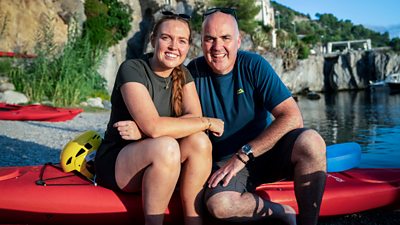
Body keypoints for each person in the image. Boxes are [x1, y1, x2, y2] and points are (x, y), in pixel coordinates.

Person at [186, 8, 326, 225]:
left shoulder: (253, 65)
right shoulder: (191, 74)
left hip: (266, 151)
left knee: (312, 141)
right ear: (201, 41)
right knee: (220, 206)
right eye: (209, 39)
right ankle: (282, 211)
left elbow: (292, 117)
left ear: (238, 41)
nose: (217, 47)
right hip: (224, 164)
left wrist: (243, 155)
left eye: (225, 38)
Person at [94, 11, 224, 225]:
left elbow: (192, 119)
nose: (174, 46)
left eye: (181, 41)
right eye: (166, 38)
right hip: (120, 163)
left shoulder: (183, 75)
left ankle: (194, 220)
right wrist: (208, 122)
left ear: (188, 47)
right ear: (153, 40)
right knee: (166, 146)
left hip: (162, 156)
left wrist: (142, 130)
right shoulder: (132, 69)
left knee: (200, 141)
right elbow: (155, 127)